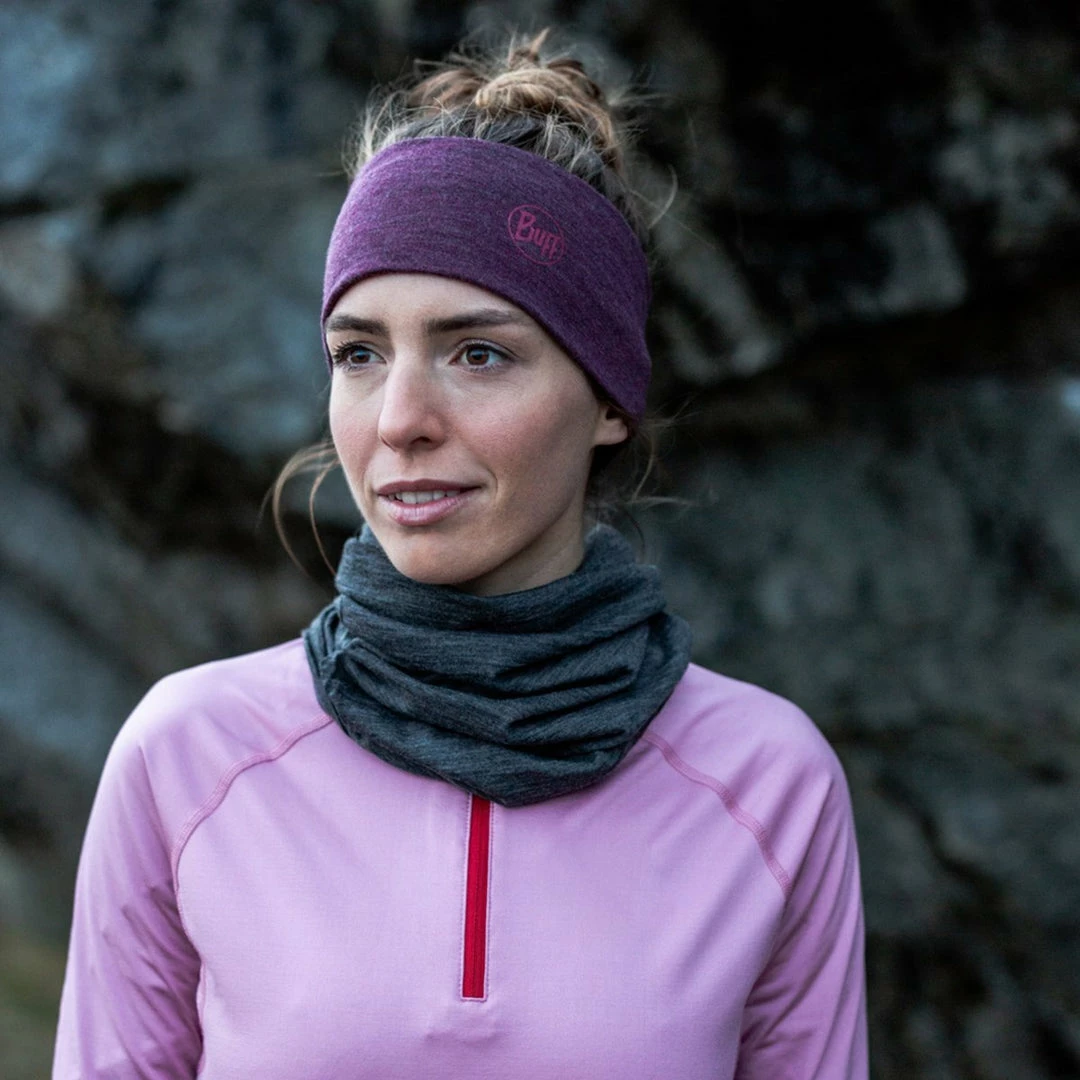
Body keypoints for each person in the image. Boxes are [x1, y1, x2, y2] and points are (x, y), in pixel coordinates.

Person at [53, 30, 867, 1079]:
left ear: (609, 398)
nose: (400, 420)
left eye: (478, 353)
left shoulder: (768, 782)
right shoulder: (188, 758)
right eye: (359, 353)